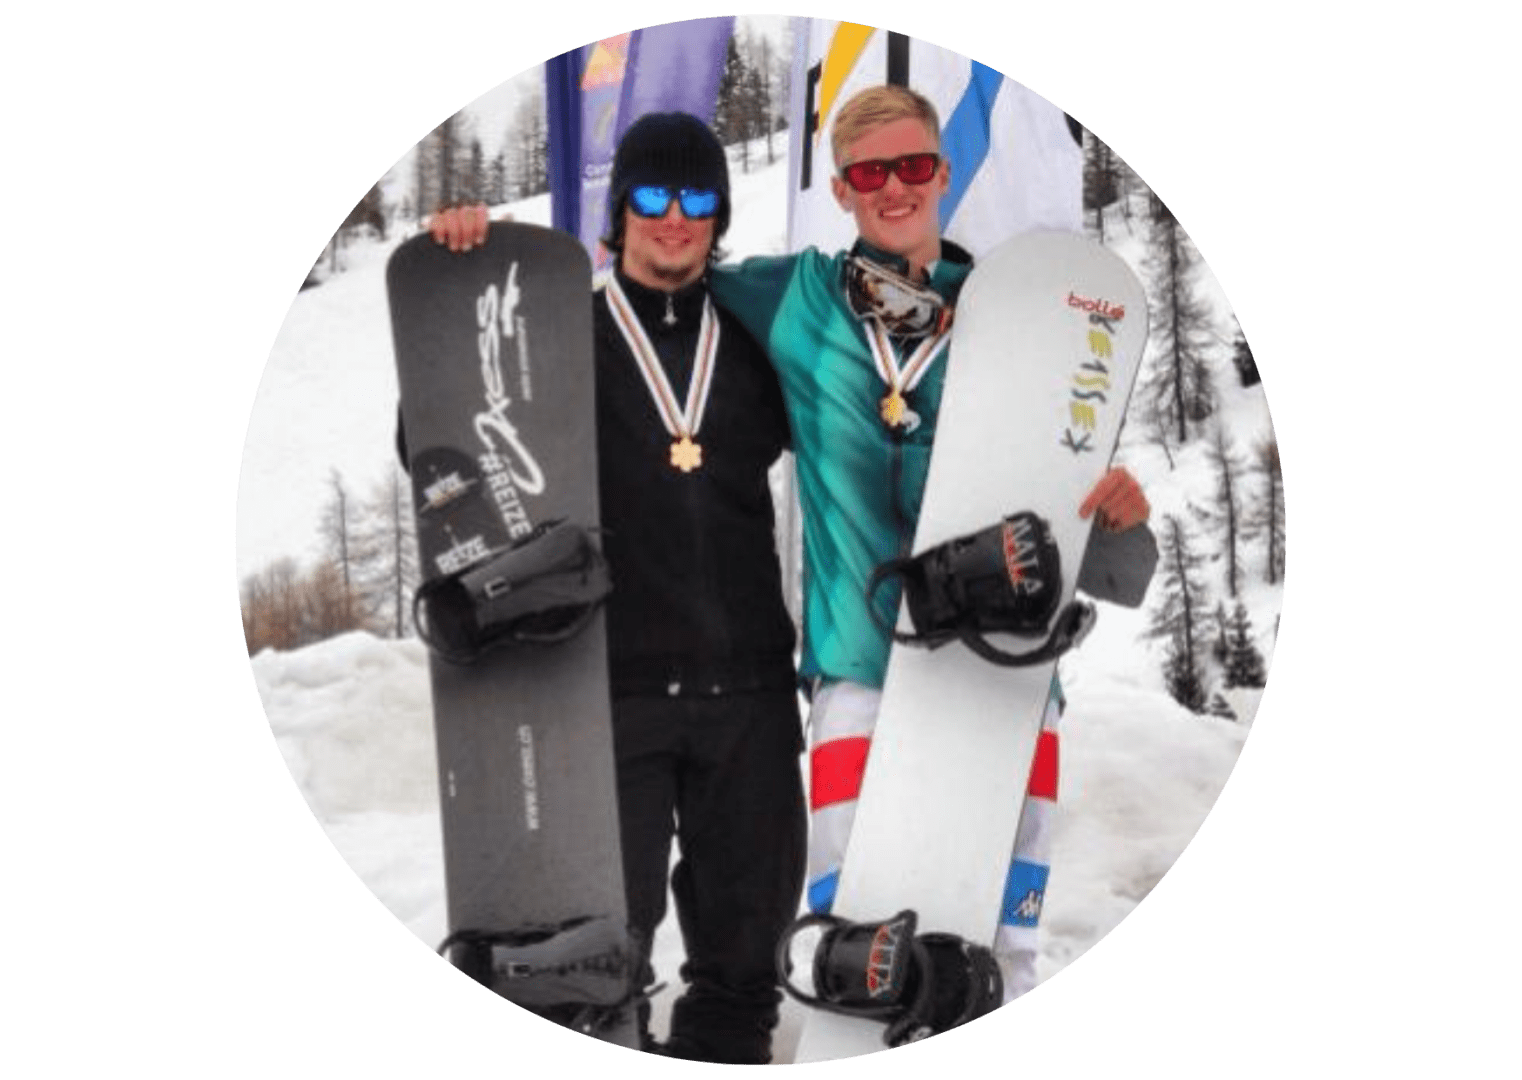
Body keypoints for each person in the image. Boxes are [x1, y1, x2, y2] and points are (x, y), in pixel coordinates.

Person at [706, 84, 1156, 1003]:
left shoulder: (1019, 320)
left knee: (1005, 951)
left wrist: (1121, 515)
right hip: (858, 667)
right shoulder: (794, 301)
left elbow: (1111, 560)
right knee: (861, 953)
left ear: (944, 173)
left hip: (1008, 675)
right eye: (870, 174)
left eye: (914, 166)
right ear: (841, 192)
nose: (895, 189)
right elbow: (662, 271)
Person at [422, 113, 804, 1065]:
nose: (675, 218)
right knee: (597, 973)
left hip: (751, 698)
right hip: (610, 700)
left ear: (719, 216)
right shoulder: (559, 333)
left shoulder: (762, 341)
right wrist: (462, 274)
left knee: (742, 971)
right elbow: (445, 440)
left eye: (698, 198)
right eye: (653, 196)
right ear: (618, 209)